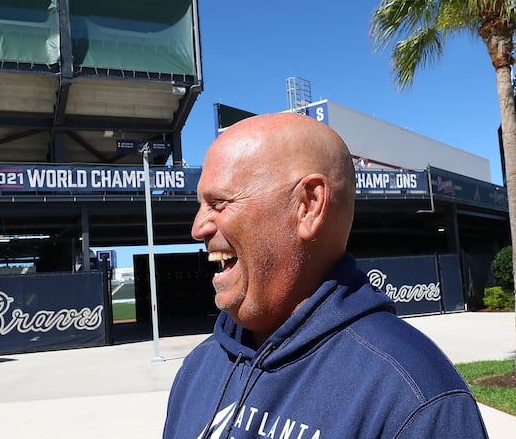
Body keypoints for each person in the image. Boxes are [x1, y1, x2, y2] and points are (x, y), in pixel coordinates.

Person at [163, 113, 488, 438]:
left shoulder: (416, 399)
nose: (197, 228)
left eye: (219, 203)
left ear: (308, 205)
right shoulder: (197, 369)